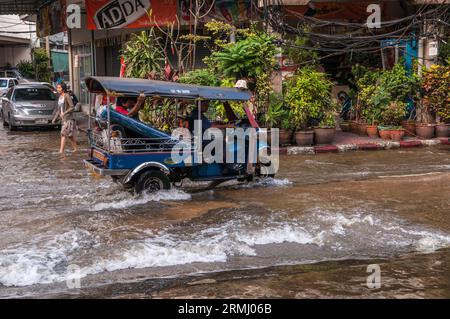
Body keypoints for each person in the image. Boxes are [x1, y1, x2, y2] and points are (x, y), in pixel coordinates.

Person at [52, 82, 78, 153]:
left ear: (63, 88)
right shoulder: (60, 97)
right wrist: (54, 119)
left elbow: (72, 107)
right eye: (57, 87)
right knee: (70, 136)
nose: (58, 89)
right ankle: (76, 149)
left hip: (69, 119)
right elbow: (58, 109)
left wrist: (65, 113)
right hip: (64, 120)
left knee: (63, 134)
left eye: (59, 87)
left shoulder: (67, 96)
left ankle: (61, 151)